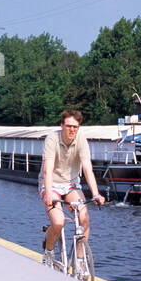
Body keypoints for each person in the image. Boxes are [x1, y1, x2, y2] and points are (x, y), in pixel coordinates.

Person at [40, 108, 103, 266]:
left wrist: (96, 194)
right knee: (59, 222)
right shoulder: (52, 139)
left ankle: (80, 260)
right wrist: (48, 194)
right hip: (51, 183)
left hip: (71, 184)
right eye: (68, 126)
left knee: (84, 219)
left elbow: (87, 168)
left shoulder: (81, 140)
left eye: (75, 127)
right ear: (61, 125)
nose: (71, 130)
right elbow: (47, 170)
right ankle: (48, 251)